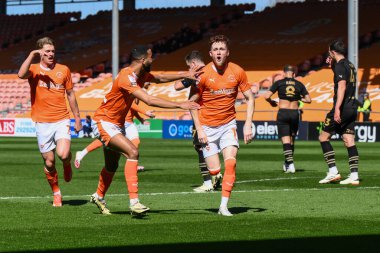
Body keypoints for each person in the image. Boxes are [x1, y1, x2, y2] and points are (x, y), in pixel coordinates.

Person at [89, 45, 200, 215]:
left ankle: (98, 195)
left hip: (115, 124)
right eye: (151, 57)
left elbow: (160, 78)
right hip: (103, 122)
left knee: (111, 165)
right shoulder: (127, 77)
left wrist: (185, 74)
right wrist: (180, 104)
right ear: (142, 60)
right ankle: (134, 202)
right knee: (133, 152)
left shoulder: (140, 75)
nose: (152, 59)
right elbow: (148, 99)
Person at [189, 35, 255, 216]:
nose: (219, 52)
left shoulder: (237, 71)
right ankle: (216, 175)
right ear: (211, 54)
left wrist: (248, 124)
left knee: (231, 163)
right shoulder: (202, 74)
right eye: (215, 49)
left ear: (228, 52)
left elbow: (250, 97)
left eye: (222, 49)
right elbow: (192, 103)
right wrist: (199, 130)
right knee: (215, 170)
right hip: (207, 127)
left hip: (228, 125)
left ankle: (223, 206)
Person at [17, 37, 82, 207]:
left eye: (52, 51)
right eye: (47, 51)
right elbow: (20, 74)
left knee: (63, 154)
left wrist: (77, 118)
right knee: (49, 162)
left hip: (61, 118)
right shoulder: (34, 69)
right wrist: (31, 55)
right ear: (40, 53)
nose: (51, 54)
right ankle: (56, 192)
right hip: (42, 122)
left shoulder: (63, 70)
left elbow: (70, 95)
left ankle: (67, 164)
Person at [174, 50, 222, 193]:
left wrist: (188, 74)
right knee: (210, 146)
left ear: (193, 64)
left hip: (201, 116)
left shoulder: (198, 73)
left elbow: (176, 86)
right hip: (217, 114)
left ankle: (208, 181)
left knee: (200, 147)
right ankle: (215, 175)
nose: (189, 69)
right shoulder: (213, 70)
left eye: (189, 66)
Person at [319, 39, 360, 185]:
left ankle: (333, 171)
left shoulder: (341, 66)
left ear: (332, 52)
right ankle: (354, 175)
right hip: (352, 107)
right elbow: (344, 80)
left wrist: (337, 109)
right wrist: (332, 67)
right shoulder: (350, 65)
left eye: (329, 51)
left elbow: (342, 86)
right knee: (349, 139)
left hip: (343, 107)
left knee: (323, 137)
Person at [74, 100, 155, 170]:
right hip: (120, 122)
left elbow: (133, 108)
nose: (150, 83)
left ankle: (133, 164)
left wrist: (141, 119)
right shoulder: (131, 87)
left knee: (135, 143)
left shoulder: (139, 90)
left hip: (129, 123)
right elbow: (131, 104)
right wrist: (145, 112)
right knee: (109, 142)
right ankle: (81, 153)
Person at [264, 65, 311, 173]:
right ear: (294, 74)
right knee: (292, 140)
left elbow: (266, 96)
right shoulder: (299, 84)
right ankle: (288, 163)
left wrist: (271, 102)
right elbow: (309, 100)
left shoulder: (279, 83)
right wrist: (299, 97)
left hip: (283, 113)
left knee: (285, 140)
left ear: (284, 73)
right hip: (295, 113)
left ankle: (290, 164)